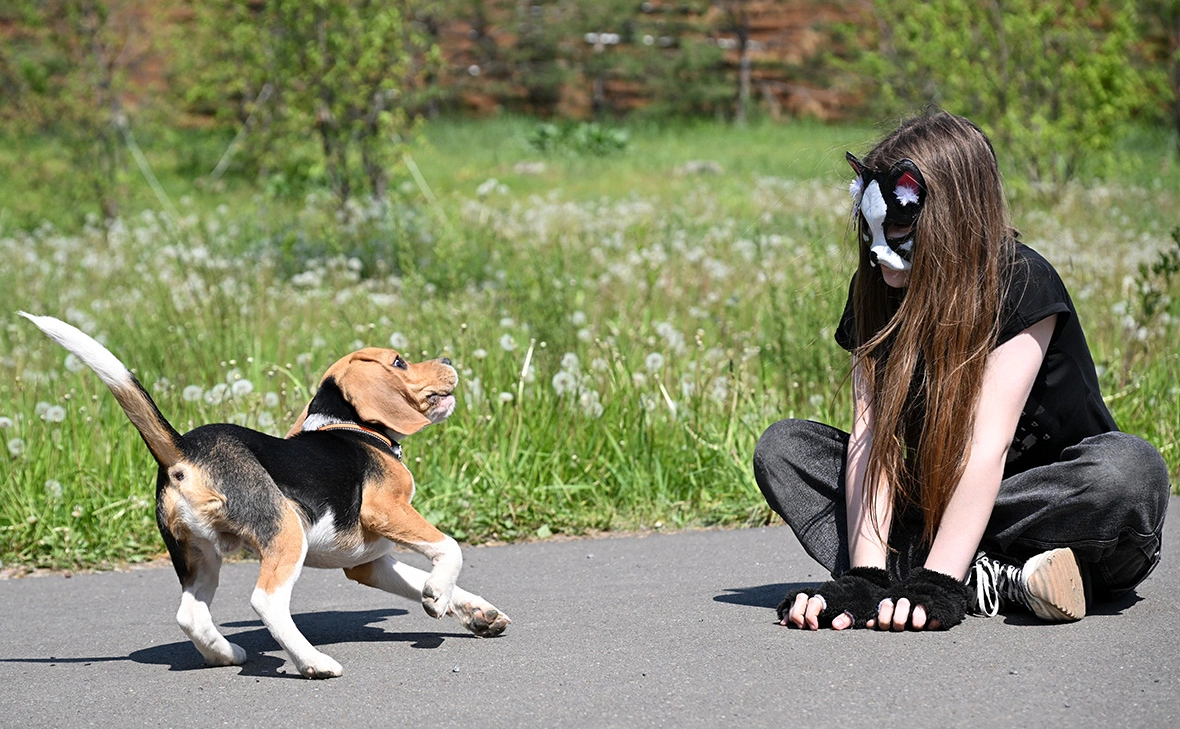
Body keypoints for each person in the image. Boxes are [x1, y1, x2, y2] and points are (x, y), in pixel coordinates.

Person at [753, 110, 1171, 631]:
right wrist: (863, 577)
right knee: (784, 449)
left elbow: (985, 447)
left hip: (1058, 512)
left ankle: (950, 572)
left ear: (952, 220)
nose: (880, 249)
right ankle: (999, 578)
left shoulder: (1020, 281)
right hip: (938, 502)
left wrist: (937, 584)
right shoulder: (878, 290)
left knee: (1130, 469)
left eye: (900, 228)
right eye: (871, 226)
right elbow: (872, 439)